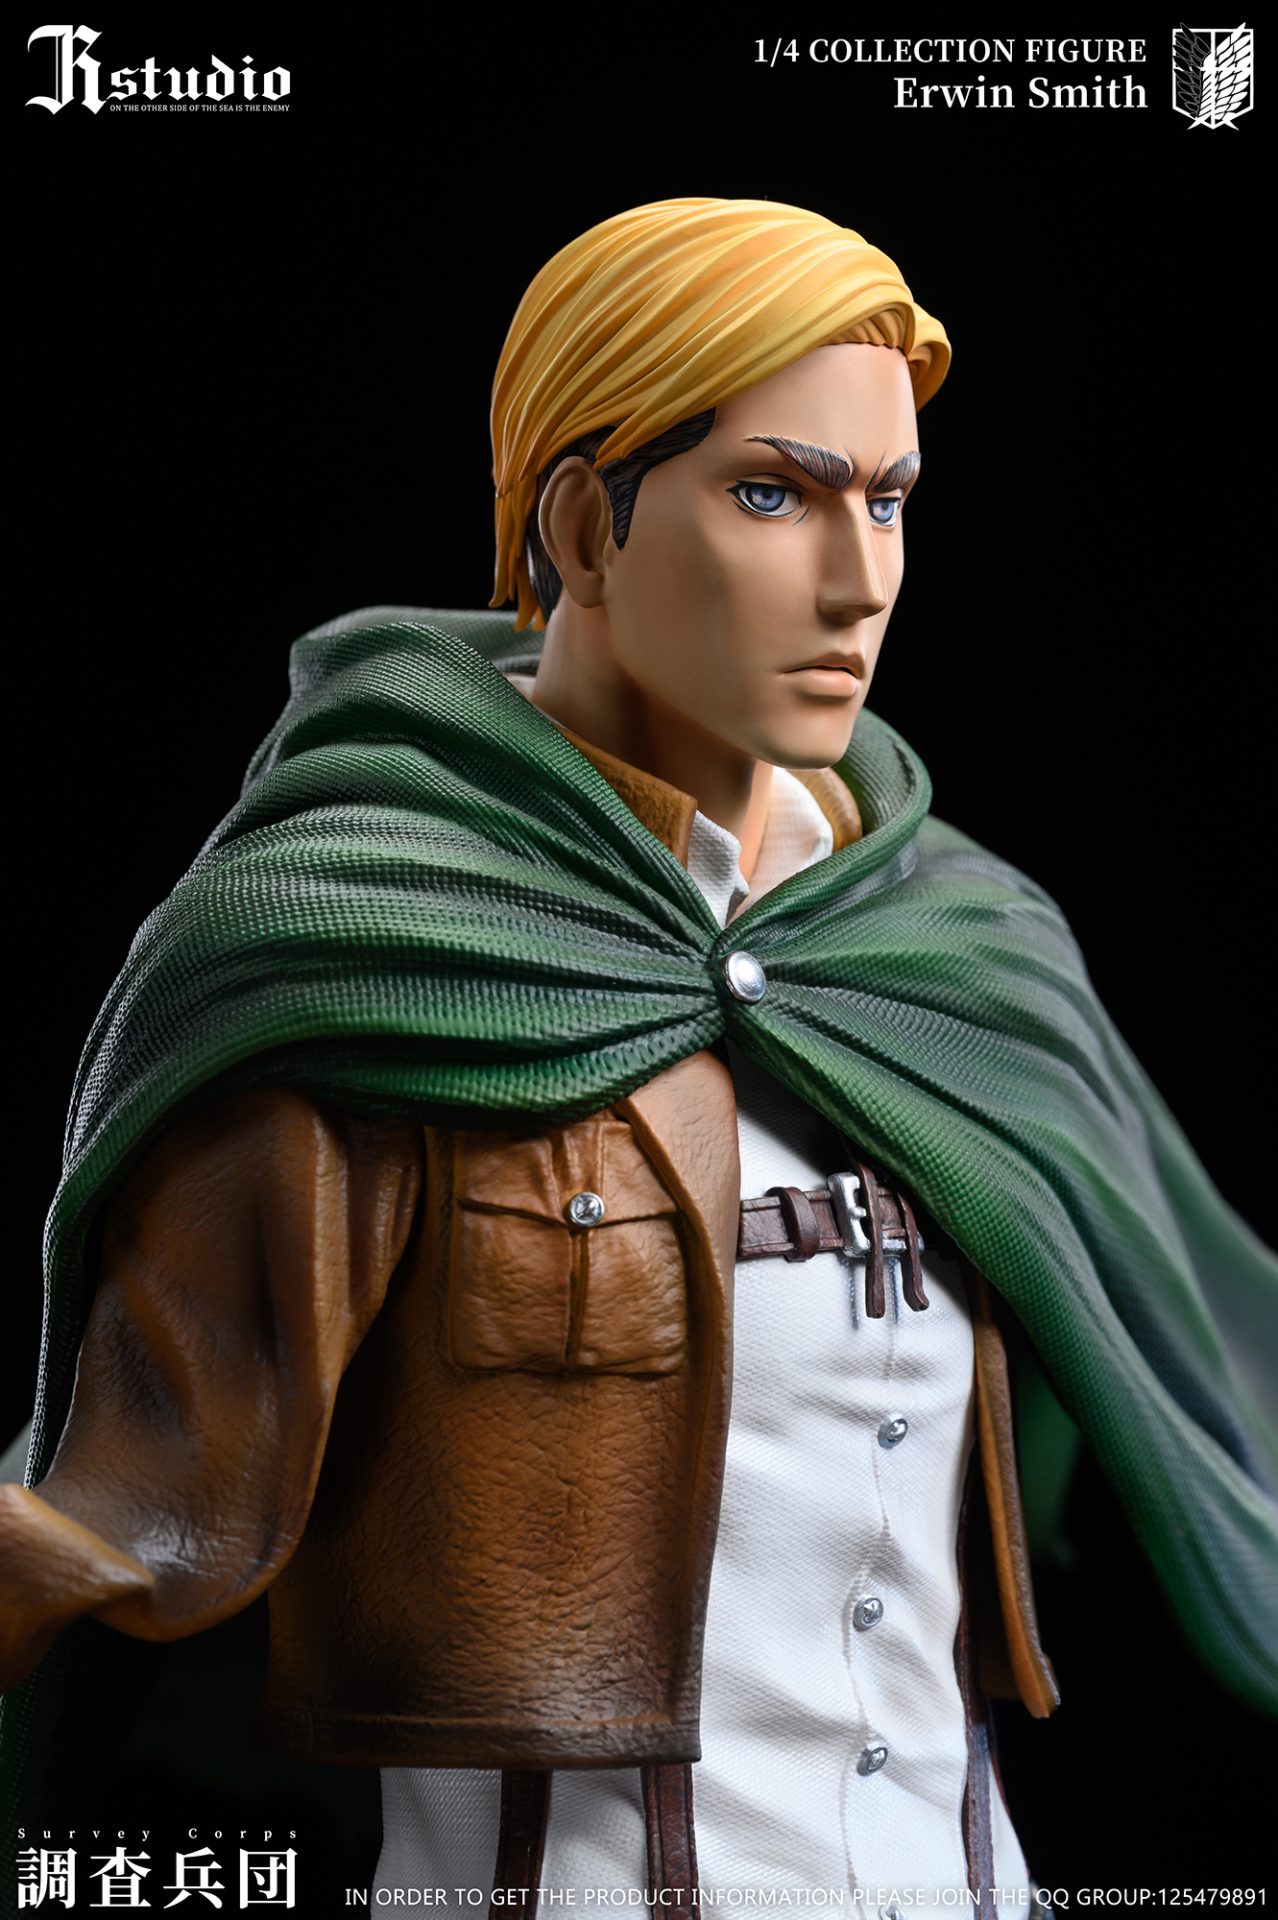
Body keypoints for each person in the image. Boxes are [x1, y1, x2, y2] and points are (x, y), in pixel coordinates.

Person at [2, 198, 1275, 1910]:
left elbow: (1196, 1386)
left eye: (888, 500)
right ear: (584, 525)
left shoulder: (946, 950)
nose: (858, 579)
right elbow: (118, 1507)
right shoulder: (376, 950)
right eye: (773, 494)